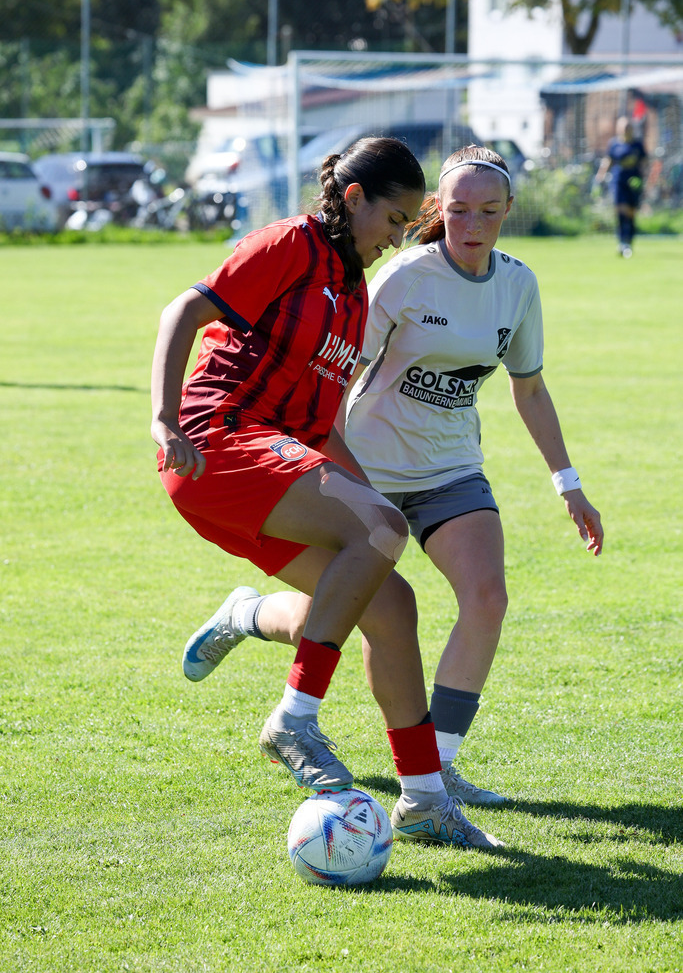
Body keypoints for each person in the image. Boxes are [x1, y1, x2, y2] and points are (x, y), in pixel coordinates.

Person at [192, 143, 604, 810]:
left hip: (449, 469)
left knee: (486, 598)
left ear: (508, 213)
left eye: (489, 212)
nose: (473, 225)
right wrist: (319, 461)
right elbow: (338, 371)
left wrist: (568, 482)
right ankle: (250, 614)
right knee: (354, 609)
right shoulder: (400, 276)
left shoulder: (517, 285)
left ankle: (435, 771)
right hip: (366, 466)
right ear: (440, 210)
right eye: (460, 210)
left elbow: (528, 389)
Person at [151, 136, 503, 850]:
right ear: (352, 199)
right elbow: (180, 313)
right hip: (213, 441)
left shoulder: (349, 292)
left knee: (392, 603)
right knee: (376, 532)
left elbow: (317, 426)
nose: (399, 236)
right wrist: (161, 416)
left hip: (265, 460)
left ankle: (425, 799)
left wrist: (366, 497)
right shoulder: (289, 243)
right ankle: (294, 718)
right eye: (395, 219)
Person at [595, 116, 647, 258]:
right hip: (618, 181)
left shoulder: (637, 145)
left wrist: (645, 181)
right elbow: (608, 160)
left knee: (630, 214)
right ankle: (621, 242)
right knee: (620, 211)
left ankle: (629, 242)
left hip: (634, 183)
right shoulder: (614, 144)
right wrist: (600, 176)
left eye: (628, 127)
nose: (626, 129)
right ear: (618, 129)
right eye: (623, 127)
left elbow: (643, 163)